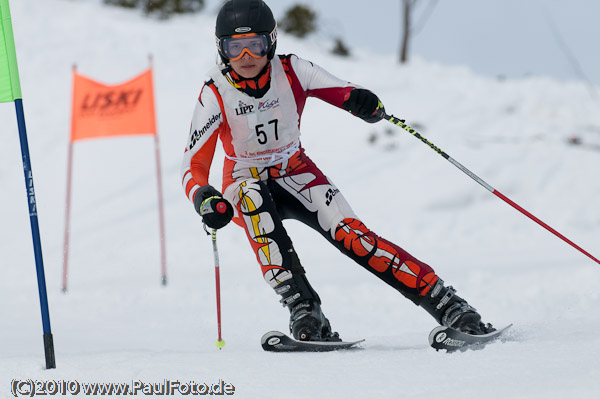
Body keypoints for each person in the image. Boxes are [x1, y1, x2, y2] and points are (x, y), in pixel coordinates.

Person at [181, 0, 494, 342]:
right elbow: (193, 166)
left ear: (271, 41)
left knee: (354, 237)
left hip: (295, 172)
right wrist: (204, 198)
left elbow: (342, 91)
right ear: (221, 49)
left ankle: (449, 305)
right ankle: (305, 311)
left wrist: (362, 102)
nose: (246, 57)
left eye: (254, 45)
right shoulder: (215, 91)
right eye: (234, 48)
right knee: (252, 200)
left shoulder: (291, 69)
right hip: (243, 179)